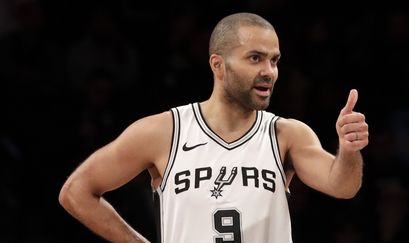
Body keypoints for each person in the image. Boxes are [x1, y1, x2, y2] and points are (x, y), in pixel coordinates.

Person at [59, 12, 369, 243]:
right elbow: (76, 192)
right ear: (217, 65)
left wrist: (349, 150)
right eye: (255, 58)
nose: (269, 72)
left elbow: (343, 185)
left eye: (274, 61)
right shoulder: (163, 132)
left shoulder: (287, 134)